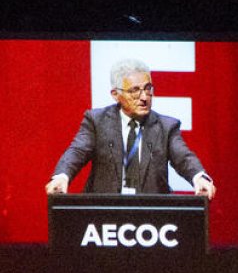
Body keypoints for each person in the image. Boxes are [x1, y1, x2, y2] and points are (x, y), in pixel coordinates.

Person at [46, 58, 216, 198]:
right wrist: (62, 176)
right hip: (102, 214)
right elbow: (77, 151)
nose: (144, 97)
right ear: (116, 95)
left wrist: (199, 177)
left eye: (148, 89)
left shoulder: (166, 127)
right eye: (135, 91)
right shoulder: (96, 121)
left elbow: (183, 157)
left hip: (154, 215)